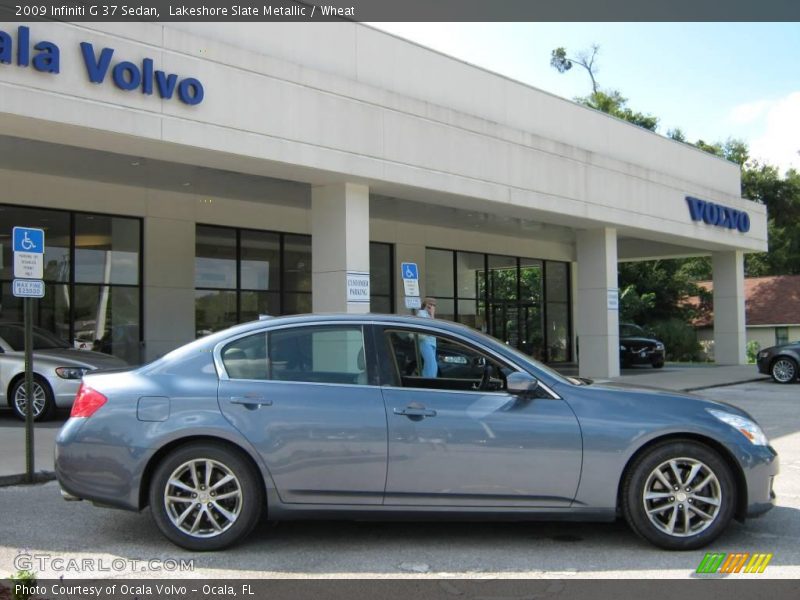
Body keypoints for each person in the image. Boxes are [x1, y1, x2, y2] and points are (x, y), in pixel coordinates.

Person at [416, 297, 438, 377]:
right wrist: (432, 314)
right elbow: (430, 328)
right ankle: (430, 383)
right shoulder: (421, 314)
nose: (432, 307)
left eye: (434, 305)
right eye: (430, 305)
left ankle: (425, 382)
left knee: (429, 366)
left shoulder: (429, 315)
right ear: (426, 305)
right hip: (425, 342)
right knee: (432, 366)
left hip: (432, 342)